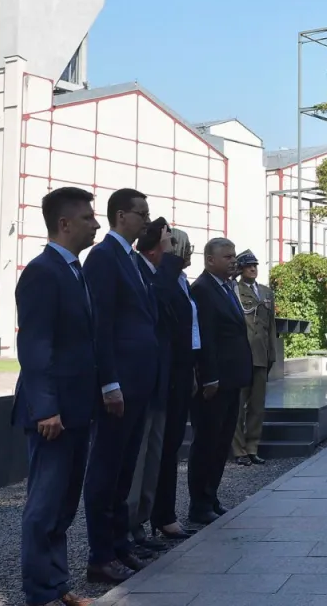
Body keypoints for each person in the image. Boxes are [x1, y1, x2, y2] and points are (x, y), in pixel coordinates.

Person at [14, 186, 102, 606]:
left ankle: (56, 585)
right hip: (53, 413)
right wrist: (46, 407)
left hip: (77, 408)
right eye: (88, 218)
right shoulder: (43, 271)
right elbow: (35, 346)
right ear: (64, 224)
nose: (96, 224)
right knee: (45, 506)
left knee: (65, 504)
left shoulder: (73, 271)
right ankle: (40, 593)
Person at [82, 188, 159, 583]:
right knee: (106, 469)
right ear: (120, 216)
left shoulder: (130, 259)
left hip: (139, 382)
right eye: (141, 213)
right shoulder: (104, 257)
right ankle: (100, 554)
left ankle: (119, 544)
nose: (147, 220)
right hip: (120, 385)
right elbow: (103, 324)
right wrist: (109, 381)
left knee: (125, 468)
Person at [186, 237, 252, 525]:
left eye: (234, 256)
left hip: (232, 378)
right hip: (215, 382)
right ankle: (199, 503)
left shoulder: (226, 288)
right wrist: (209, 376)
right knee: (207, 443)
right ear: (210, 260)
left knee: (222, 441)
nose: (233, 261)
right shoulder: (202, 289)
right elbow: (206, 337)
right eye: (227, 257)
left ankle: (211, 496)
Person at [125, 218, 176, 550]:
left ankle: (141, 523)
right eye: (169, 241)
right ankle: (128, 528)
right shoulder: (139, 271)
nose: (175, 247)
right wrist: (170, 260)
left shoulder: (155, 273)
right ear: (157, 246)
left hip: (159, 380)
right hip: (140, 381)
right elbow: (159, 300)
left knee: (153, 456)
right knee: (138, 458)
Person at [150, 227, 200, 540]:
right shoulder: (165, 279)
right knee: (164, 447)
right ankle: (160, 515)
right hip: (169, 373)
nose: (190, 251)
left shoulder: (183, 281)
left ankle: (165, 513)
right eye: (186, 246)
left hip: (183, 370)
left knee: (171, 446)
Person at [231, 249, 278, 466]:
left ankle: (252, 447)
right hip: (242, 355)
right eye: (248, 265)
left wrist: (272, 354)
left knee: (257, 405)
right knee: (239, 406)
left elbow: (271, 327)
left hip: (261, 354)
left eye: (255, 265)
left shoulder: (266, 293)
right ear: (240, 268)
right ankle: (239, 450)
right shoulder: (234, 290)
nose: (253, 268)